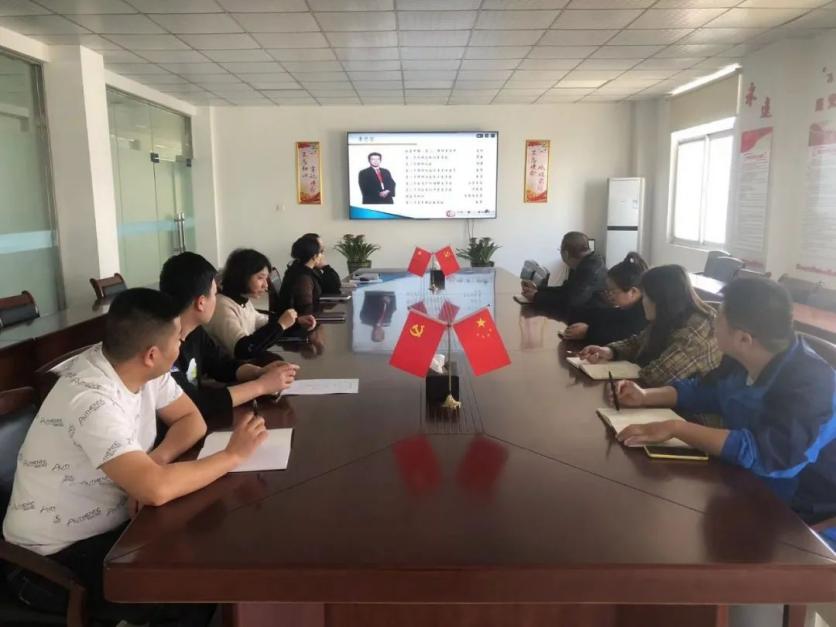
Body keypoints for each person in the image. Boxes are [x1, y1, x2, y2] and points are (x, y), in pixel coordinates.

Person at [2, 289, 268, 625]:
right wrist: (232, 455)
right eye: (178, 339)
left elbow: (192, 421)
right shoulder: (91, 398)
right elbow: (155, 490)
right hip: (48, 563)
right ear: (152, 354)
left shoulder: (138, 367)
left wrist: (153, 462)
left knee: (202, 547)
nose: (182, 345)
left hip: (113, 529)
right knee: (189, 589)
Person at [611, 278, 836, 551]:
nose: (712, 322)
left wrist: (675, 428)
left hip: (799, 514)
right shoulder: (745, 357)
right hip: (742, 482)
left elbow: (769, 456)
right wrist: (646, 396)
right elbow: (707, 391)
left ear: (743, 338)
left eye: (719, 317)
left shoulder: (812, 384)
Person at [159, 252, 299, 417]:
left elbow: (222, 364)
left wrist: (258, 372)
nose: (217, 298)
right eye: (214, 294)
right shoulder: (163, 348)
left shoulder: (195, 332)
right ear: (201, 303)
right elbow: (194, 403)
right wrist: (261, 386)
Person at [579, 264, 721, 387]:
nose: (642, 302)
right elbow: (638, 342)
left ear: (661, 301)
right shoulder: (670, 317)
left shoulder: (695, 331)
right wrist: (610, 351)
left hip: (688, 408)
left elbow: (658, 377)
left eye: (645, 296)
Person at [207, 248, 306, 359]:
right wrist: (281, 325)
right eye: (260, 278)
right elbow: (243, 349)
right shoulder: (222, 306)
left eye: (266, 278)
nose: (266, 285)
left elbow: (260, 321)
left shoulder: (242, 300)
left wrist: (296, 322)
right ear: (241, 276)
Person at [562, 252, 649, 346]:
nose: (609, 295)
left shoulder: (645, 313)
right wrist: (578, 315)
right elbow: (606, 315)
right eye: (608, 290)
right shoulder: (629, 307)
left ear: (633, 292)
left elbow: (623, 336)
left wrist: (588, 332)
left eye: (613, 291)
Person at [521, 231, 607, 319]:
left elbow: (570, 301)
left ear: (566, 254)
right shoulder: (588, 262)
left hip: (590, 320)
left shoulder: (589, 269)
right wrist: (538, 289)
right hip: (585, 315)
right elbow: (566, 290)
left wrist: (536, 297)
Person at [274, 236, 325, 318]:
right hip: (299, 323)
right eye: (321, 252)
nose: (322, 255)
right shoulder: (303, 278)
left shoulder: (298, 268)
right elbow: (306, 312)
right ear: (314, 256)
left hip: (301, 320)